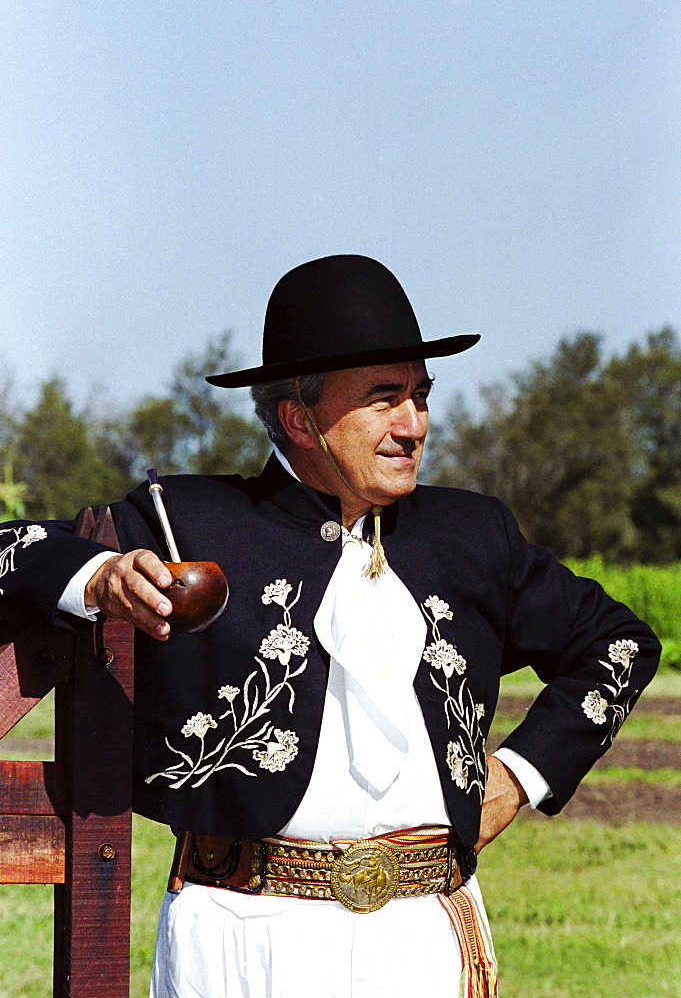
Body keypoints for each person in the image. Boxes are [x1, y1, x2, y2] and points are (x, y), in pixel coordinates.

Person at [0, 255, 661, 998]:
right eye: (384, 399)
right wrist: (103, 578)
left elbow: (620, 644)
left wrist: (520, 775)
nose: (412, 425)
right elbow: (6, 550)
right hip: (239, 937)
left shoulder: (472, 536)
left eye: (420, 396)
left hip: (429, 937)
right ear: (298, 417)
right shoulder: (185, 521)